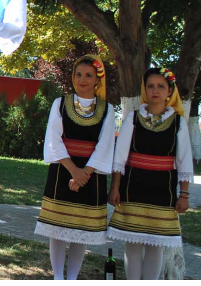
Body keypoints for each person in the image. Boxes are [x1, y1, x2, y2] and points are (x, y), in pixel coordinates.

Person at [34, 55, 116, 280]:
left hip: (91, 176)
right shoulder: (60, 103)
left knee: (82, 231)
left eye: (88, 75)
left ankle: (72, 279)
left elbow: (105, 144)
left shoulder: (107, 109)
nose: (82, 79)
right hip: (63, 171)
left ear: (98, 80)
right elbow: (53, 139)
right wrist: (74, 171)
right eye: (78, 74)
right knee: (58, 228)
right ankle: (58, 278)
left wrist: (84, 174)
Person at [107, 67, 192, 280]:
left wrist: (184, 194)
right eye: (151, 86)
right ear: (145, 90)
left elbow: (183, 160)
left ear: (169, 91)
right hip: (133, 187)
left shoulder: (178, 122)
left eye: (161, 86)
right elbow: (120, 158)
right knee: (133, 244)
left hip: (163, 190)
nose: (155, 90)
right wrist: (115, 188)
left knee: (157, 245)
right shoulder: (132, 119)